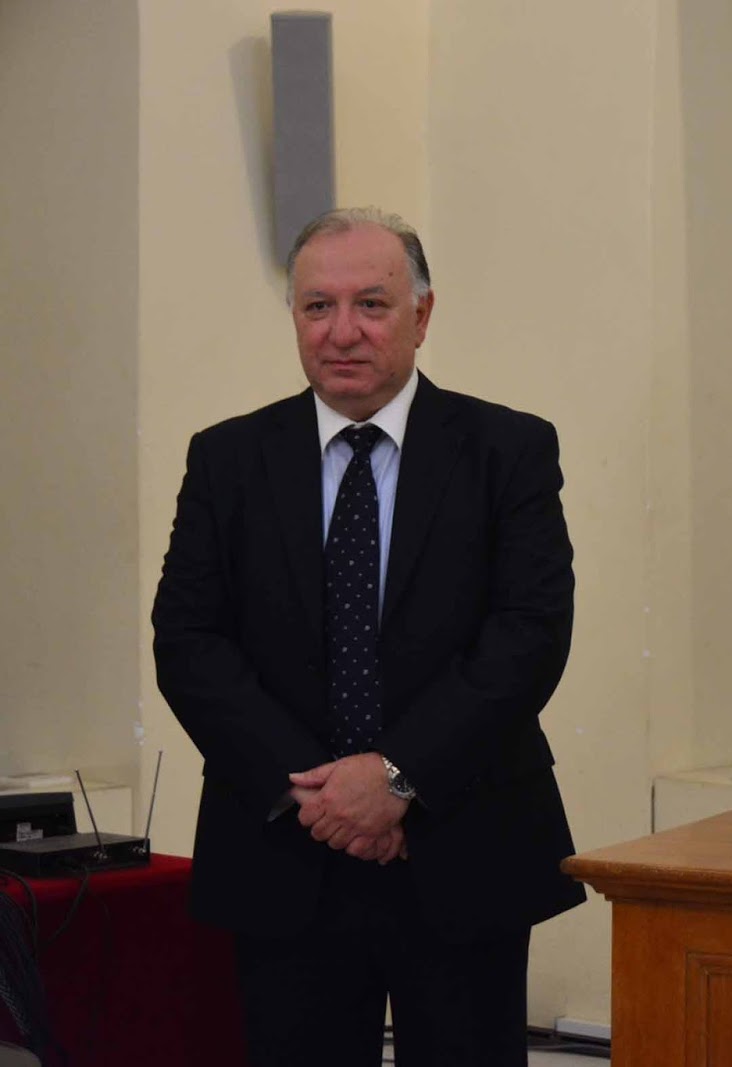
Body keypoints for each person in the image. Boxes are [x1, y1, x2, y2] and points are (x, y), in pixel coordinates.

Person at [152, 208, 584, 1066]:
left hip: (461, 847)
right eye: (318, 306)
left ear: (422, 315)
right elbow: (188, 641)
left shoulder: (508, 449)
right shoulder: (226, 458)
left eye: (372, 304)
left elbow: (528, 634)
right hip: (284, 853)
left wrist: (395, 777)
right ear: (294, 316)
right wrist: (323, 798)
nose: (342, 331)